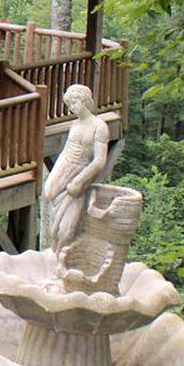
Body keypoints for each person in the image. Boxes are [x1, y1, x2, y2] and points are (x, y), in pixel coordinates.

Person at [42, 84, 111, 255]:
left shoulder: (99, 126)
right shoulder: (75, 124)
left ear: (85, 100)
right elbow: (66, 150)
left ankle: (66, 256)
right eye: (69, 105)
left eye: (74, 103)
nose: (71, 108)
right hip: (65, 166)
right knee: (52, 203)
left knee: (68, 228)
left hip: (80, 172)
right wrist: (56, 173)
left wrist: (79, 181)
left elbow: (99, 161)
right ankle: (57, 254)